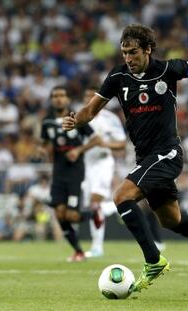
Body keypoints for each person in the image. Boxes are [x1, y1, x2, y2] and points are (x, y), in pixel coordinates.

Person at [62, 24, 188, 292]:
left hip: (168, 152)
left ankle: (153, 261)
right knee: (170, 219)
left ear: (148, 50)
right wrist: (76, 119)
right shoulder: (118, 77)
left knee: (121, 197)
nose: (128, 58)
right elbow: (90, 110)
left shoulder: (169, 69)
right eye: (124, 53)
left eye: (133, 52)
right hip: (145, 157)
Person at [40, 85, 101, 262]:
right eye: (55, 96)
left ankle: (93, 214)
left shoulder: (77, 118)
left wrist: (79, 150)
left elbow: (97, 139)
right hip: (58, 173)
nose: (58, 99)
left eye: (62, 95)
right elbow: (44, 143)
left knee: (71, 215)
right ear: (52, 100)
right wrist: (42, 150)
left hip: (75, 172)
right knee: (59, 214)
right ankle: (78, 251)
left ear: (67, 99)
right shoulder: (47, 122)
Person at [81, 85, 127, 258]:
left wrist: (105, 144)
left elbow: (121, 143)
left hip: (102, 162)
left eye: (91, 97)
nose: (88, 100)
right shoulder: (80, 117)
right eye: (86, 96)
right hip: (84, 164)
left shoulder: (110, 119)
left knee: (94, 203)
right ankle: (113, 207)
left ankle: (97, 246)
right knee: (88, 205)